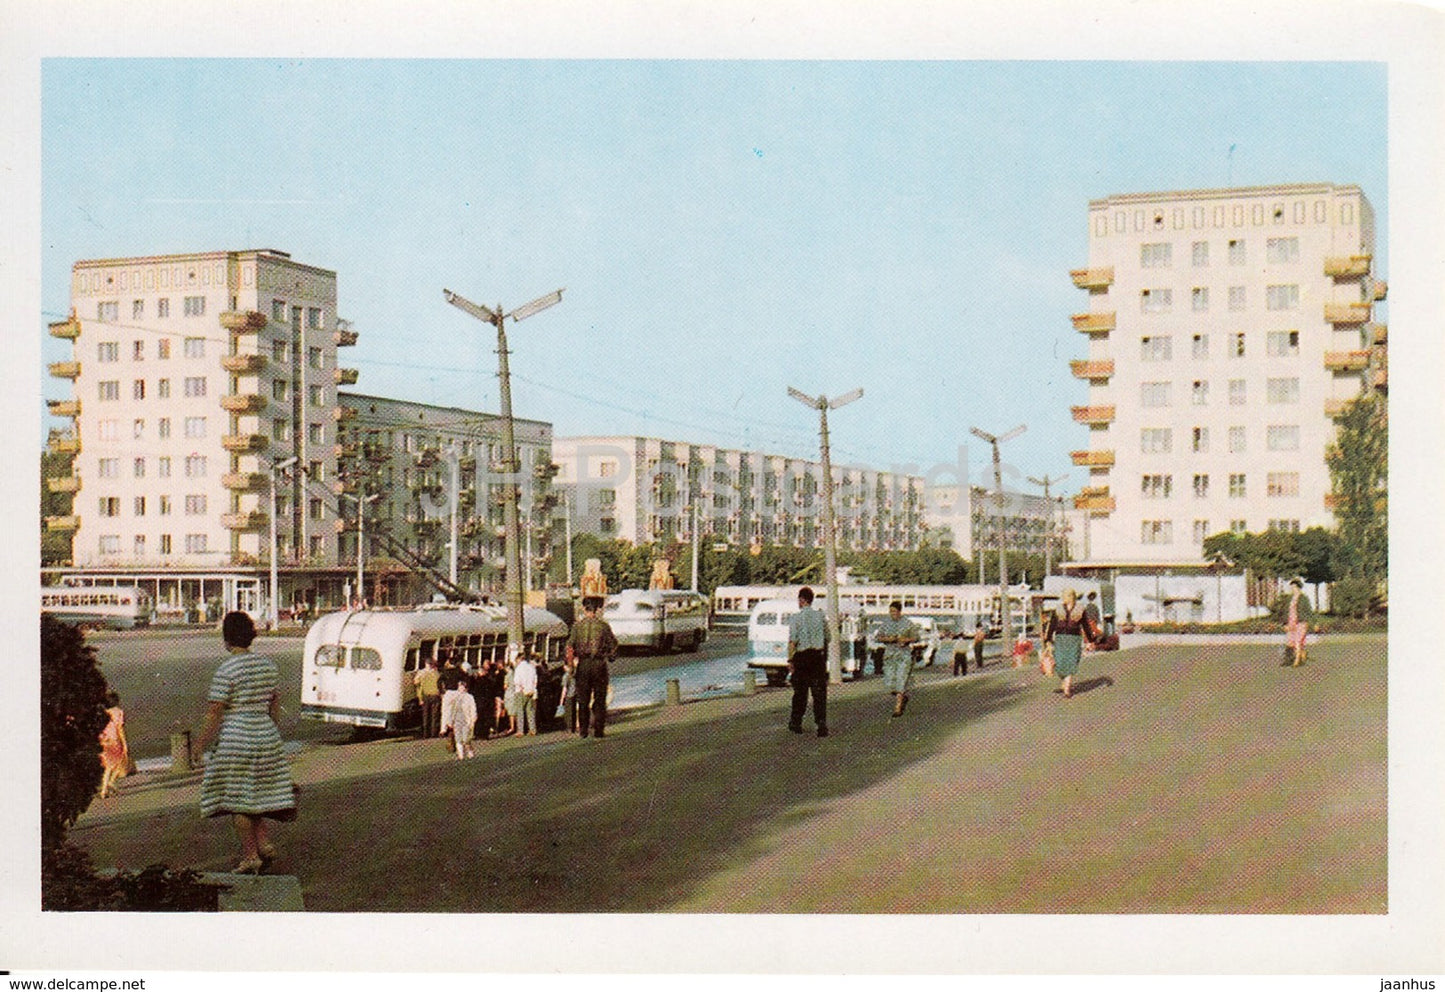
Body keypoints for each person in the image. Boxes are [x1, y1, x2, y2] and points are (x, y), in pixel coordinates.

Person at [195, 611, 297, 874]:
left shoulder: (226, 669)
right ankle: (264, 843)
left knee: (237, 801)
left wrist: (199, 744)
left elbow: (215, 711)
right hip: (266, 736)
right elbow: (274, 704)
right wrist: (270, 730)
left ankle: (251, 856)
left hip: (237, 738)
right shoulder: (267, 666)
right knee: (256, 796)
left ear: (227, 639)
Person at [568, 595, 618, 739]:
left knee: (582, 700)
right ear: (596, 609)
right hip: (599, 665)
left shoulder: (577, 627)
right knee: (600, 699)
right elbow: (613, 646)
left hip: (583, 665)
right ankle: (598, 730)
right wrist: (610, 657)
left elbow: (570, 647)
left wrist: (571, 667)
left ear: (584, 609)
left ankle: (583, 731)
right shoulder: (603, 626)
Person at [786, 586, 829, 736]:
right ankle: (821, 724)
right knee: (819, 693)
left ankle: (796, 722)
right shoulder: (821, 616)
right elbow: (827, 638)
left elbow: (793, 642)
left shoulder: (795, 618)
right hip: (817, 658)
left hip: (802, 658)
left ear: (802, 600)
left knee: (800, 693)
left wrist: (790, 660)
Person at [1044, 588, 1097, 699]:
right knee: (1060, 662)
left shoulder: (1080, 610)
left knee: (1071, 662)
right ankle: (1064, 680)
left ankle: (1067, 688)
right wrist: (1048, 639)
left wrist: (1091, 641)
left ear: (1071, 597)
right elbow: (1052, 625)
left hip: (1074, 639)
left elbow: (1085, 626)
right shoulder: (1058, 610)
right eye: (1063, 596)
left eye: (1066, 596)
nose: (1064, 598)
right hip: (1060, 639)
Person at [875, 601, 919, 718]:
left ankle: (898, 706)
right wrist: (888, 639)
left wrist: (906, 640)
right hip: (890, 654)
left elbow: (916, 637)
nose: (892, 614)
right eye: (890, 611)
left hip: (903, 655)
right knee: (890, 682)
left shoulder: (908, 623)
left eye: (894, 611)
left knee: (901, 679)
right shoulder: (886, 624)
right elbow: (878, 637)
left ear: (900, 611)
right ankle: (902, 696)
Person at [98, 691, 131, 799]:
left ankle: (104, 790)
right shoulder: (118, 712)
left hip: (104, 740)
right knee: (120, 761)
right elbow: (120, 729)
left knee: (108, 766)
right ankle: (111, 782)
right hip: (114, 740)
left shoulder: (103, 713)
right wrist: (125, 744)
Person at [440, 674, 478, 759]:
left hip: (467, 721)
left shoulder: (469, 697)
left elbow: (473, 708)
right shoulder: (455, 697)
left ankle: (470, 753)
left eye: (463, 687)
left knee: (466, 738)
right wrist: (449, 722)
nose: (461, 688)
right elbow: (451, 710)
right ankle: (460, 755)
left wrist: (473, 719)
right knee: (458, 738)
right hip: (457, 720)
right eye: (460, 686)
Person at [415, 657, 442, 739]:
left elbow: (416, 683)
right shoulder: (436, 673)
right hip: (435, 695)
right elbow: (440, 684)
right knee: (435, 715)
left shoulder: (421, 673)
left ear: (425, 664)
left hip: (425, 695)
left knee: (425, 715)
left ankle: (425, 734)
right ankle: (434, 733)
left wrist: (420, 698)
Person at [512, 651, 539, 735]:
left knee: (520, 711)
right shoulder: (531, 667)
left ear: (519, 659)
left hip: (520, 691)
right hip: (531, 690)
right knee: (530, 711)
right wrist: (532, 688)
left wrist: (521, 688)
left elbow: (517, 681)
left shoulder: (518, 668)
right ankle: (532, 729)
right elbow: (535, 679)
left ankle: (520, 731)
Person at [1286, 578, 1308, 668]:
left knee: (1297, 641)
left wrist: (1314, 622)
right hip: (1291, 621)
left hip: (1301, 621)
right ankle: (1302, 654)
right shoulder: (1290, 599)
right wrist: (1286, 623)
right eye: (1291, 587)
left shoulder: (1303, 598)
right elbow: (1287, 611)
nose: (1292, 589)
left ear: (1298, 588)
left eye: (1294, 587)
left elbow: (1308, 611)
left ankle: (1296, 661)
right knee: (1292, 642)